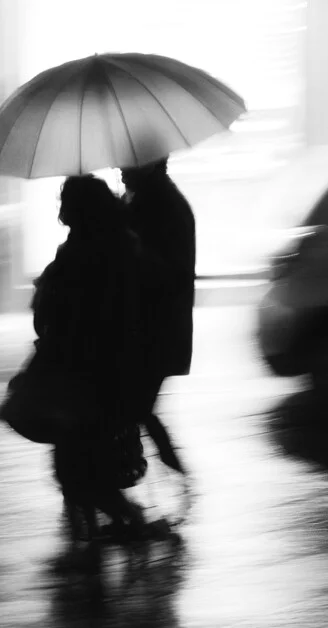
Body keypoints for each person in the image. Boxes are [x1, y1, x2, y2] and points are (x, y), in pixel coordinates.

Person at [32, 175, 149, 569]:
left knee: (75, 462)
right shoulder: (123, 245)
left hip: (83, 371)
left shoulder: (83, 254)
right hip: (107, 369)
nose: (61, 210)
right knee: (83, 458)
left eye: (65, 201)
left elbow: (57, 310)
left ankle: (121, 521)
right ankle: (103, 531)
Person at [121, 158, 196, 503]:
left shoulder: (162, 206)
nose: (119, 168)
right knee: (133, 406)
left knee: (134, 406)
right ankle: (166, 472)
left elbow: (169, 272)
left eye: (127, 162)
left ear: (148, 164)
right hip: (147, 328)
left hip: (154, 329)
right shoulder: (145, 200)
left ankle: (172, 472)